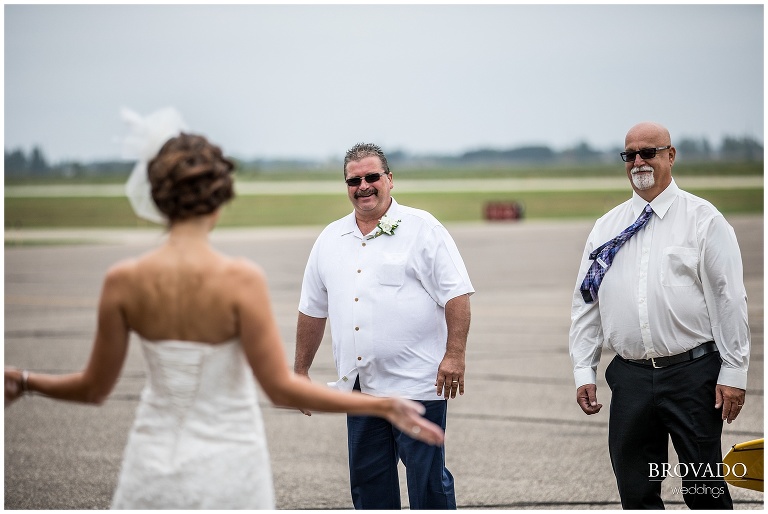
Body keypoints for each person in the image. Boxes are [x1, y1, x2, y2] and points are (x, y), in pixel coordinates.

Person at [4, 129, 445, 510]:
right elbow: (280, 388)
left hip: (152, 455)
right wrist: (382, 404)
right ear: (219, 199)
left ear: (157, 199)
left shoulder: (123, 281)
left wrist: (23, 380)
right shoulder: (239, 280)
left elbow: (93, 388)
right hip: (230, 458)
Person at [569, 122, 750, 509]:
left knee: (704, 490)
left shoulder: (703, 220)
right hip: (630, 378)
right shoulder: (607, 228)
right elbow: (587, 301)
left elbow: (729, 298)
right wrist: (584, 370)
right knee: (635, 491)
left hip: (693, 376)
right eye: (630, 154)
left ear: (670, 155)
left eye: (648, 152)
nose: (638, 161)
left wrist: (734, 372)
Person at [294, 142, 474, 510]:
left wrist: (454, 354)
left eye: (372, 177)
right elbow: (312, 309)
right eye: (354, 180)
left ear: (389, 179)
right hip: (360, 386)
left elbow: (457, 295)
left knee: (427, 482)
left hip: (418, 383)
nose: (363, 186)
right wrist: (300, 372)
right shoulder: (330, 239)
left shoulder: (423, 228)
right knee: (369, 485)